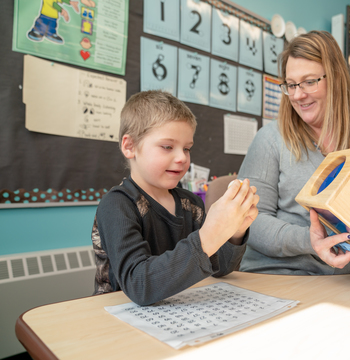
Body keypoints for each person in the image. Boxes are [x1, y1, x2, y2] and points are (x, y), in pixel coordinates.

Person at [237, 31, 350, 275]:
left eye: (309, 82)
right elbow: (247, 221)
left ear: (336, 78)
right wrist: (311, 240)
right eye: (291, 85)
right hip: (281, 276)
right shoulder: (270, 139)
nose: (298, 95)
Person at [92, 90, 259, 305]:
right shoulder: (117, 206)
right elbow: (139, 285)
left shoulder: (191, 204)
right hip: (117, 317)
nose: (182, 158)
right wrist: (207, 237)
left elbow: (223, 268)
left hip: (177, 311)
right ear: (130, 146)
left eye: (187, 148)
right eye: (167, 147)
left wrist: (235, 231)